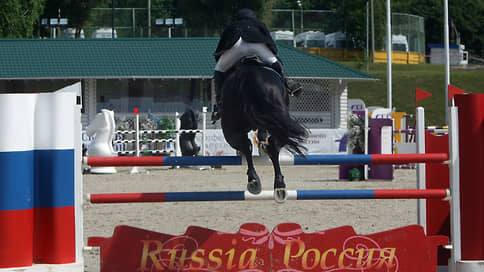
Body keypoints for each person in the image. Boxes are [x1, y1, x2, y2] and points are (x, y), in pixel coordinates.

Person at [211, 8, 303, 122]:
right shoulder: (258, 23)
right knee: (275, 62)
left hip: (237, 45)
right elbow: (269, 41)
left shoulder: (232, 25)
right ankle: (289, 82)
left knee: (218, 70)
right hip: (257, 45)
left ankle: (219, 103)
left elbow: (222, 46)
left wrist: (222, 60)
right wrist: (271, 54)